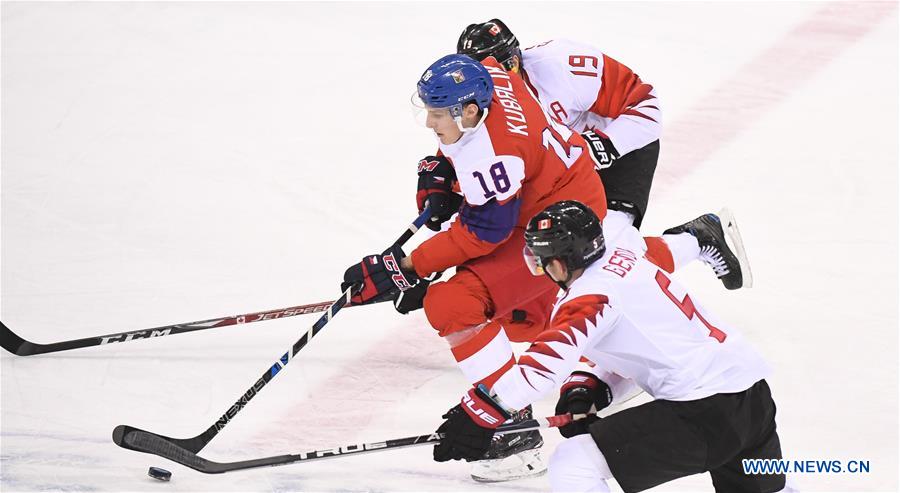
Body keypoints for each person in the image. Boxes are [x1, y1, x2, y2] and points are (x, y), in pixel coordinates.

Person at [342, 52, 606, 480]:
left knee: (453, 303)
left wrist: (407, 266)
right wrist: (441, 171)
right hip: (546, 193)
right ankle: (690, 245)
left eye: (437, 113)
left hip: (550, 221)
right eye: (426, 109)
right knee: (520, 319)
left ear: (469, 110)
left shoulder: (493, 157)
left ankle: (512, 428)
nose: (430, 122)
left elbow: (484, 233)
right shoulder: (489, 75)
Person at [432, 200, 789, 493]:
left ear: (557, 263)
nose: (537, 268)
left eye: (538, 260)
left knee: (573, 464)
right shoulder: (628, 258)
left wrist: (483, 409)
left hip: (703, 414)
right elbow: (645, 345)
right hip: (752, 400)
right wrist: (589, 390)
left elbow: (545, 364)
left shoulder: (591, 296)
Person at [456, 19, 752, 290]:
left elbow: (646, 107)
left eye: (506, 66)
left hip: (619, 151)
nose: (500, 82)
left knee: (601, 256)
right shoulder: (471, 105)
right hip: (563, 173)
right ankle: (697, 238)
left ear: (517, 58)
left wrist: (601, 146)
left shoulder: (561, 64)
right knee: (554, 259)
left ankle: (695, 241)